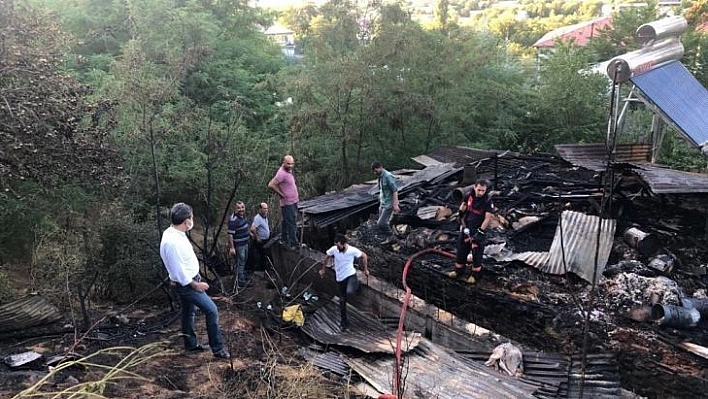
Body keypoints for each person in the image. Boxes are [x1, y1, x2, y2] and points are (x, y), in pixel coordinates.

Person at [160, 203, 230, 359]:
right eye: (191, 218)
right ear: (186, 221)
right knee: (212, 310)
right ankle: (218, 349)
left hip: (186, 281)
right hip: (187, 285)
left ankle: (191, 345)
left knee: (188, 312)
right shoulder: (172, 242)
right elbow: (178, 270)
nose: (193, 220)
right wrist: (196, 285)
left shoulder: (175, 233)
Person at [448, 179, 494, 284]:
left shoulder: (487, 201)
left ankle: (475, 275)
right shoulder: (469, 195)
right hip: (467, 227)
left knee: (476, 253)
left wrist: (481, 232)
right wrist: (460, 214)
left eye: (483, 191)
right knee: (461, 250)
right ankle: (458, 270)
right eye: (479, 190)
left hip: (478, 230)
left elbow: (487, 218)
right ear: (475, 188)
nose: (480, 193)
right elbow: (464, 205)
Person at [319, 234, 369, 331]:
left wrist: (365, 269)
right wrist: (323, 269)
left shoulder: (352, 250)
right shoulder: (334, 249)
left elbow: (364, 256)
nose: (337, 248)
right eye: (336, 246)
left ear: (344, 244)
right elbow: (327, 257)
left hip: (350, 275)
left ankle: (358, 286)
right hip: (340, 278)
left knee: (350, 291)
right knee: (342, 301)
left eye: (339, 246)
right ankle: (344, 322)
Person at [268, 155, 299, 248]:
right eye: (288, 164)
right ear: (284, 163)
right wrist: (281, 194)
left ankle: (284, 239)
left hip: (293, 201)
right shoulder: (281, 173)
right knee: (291, 222)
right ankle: (294, 243)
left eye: (292, 164)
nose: (290, 165)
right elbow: (271, 184)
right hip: (287, 202)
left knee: (286, 221)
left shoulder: (288, 171)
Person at [371, 161, 400, 238]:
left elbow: (394, 190)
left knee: (381, 223)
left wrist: (395, 204)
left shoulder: (387, 176)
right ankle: (384, 237)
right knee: (381, 224)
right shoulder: (380, 176)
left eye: (375, 170)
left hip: (388, 204)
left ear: (380, 167)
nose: (375, 173)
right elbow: (382, 190)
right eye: (374, 171)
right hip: (383, 203)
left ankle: (392, 236)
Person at [227, 201, 250, 287]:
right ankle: (240, 282)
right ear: (235, 209)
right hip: (239, 245)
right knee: (240, 261)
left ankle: (241, 276)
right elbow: (230, 235)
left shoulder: (242, 216)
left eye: (242, 207)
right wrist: (232, 248)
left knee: (243, 261)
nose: (241, 209)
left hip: (245, 243)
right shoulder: (233, 220)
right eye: (239, 208)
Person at [250, 202, 271, 270]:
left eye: (266, 208)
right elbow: (253, 229)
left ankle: (265, 270)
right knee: (262, 256)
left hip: (266, 240)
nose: (266, 210)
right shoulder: (257, 218)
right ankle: (262, 270)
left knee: (265, 255)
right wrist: (257, 237)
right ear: (260, 209)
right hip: (261, 241)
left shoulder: (265, 217)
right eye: (264, 208)